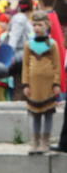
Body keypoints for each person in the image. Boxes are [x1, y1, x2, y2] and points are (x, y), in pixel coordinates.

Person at [22, 10, 61, 154]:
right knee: (35, 113)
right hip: (34, 86)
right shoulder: (28, 45)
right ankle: (35, 141)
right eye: (34, 25)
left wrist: (56, 83)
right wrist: (25, 83)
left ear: (47, 25)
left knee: (48, 113)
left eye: (40, 24)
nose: (37, 28)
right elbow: (25, 65)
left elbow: (57, 65)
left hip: (48, 85)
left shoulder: (52, 45)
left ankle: (45, 141)